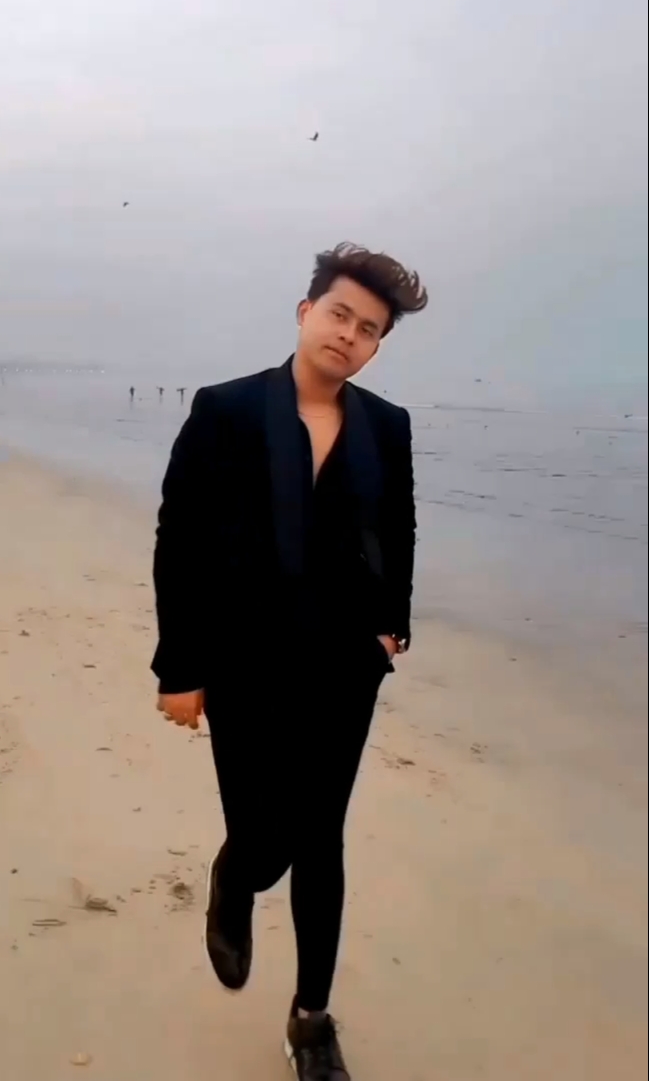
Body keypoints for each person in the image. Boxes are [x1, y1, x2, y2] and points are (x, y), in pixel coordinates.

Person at [152, 242, 426, 1080]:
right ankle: (235, 878)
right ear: (307, 313)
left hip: (342, 666)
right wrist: (179, 669)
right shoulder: (226, 409)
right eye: (340, 314)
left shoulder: (386, 425)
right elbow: (179, 540)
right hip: (242, 660)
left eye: (368, 329)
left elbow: (398, 526)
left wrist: (391, 626)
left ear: (376, 345)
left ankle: (311, 1020)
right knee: (263, 838)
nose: (349, 334)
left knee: (320, 839)